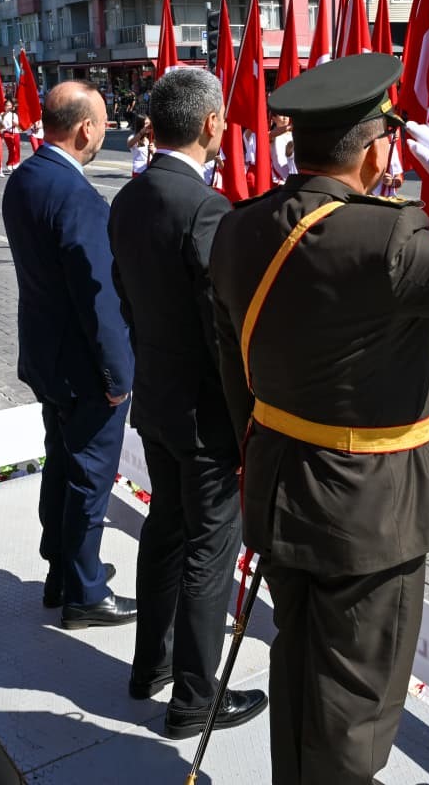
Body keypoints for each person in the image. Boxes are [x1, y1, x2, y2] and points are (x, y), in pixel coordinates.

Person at [207, 53, 429, 785]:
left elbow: (234, 366)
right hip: (369, 511)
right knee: (356, 702)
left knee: (298, 669)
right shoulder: (384, 239)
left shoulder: (239, 227)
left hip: (279, 484)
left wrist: (258, 451)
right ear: (374, 148)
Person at [106, 69, 266, 739]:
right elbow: (222, 326)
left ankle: (152, 668)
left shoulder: (130, 197)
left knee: (166, 532)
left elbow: (127, 297)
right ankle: (195, 700)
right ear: (209, 125)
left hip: (159, 401)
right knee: (207, 546)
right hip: (204, 412)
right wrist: (249, 413)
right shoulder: (206, 209)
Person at [0, 80, 137, 630]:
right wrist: (118, 374)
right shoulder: (76, 196)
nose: (104, 133)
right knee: (88, 475)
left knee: (60, 460)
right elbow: (98, 298)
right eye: (103, 124)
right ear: (86, 129)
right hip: (83, 368)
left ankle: (62, 569)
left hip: (44, 356)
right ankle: (85, 592)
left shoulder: (26, 178)